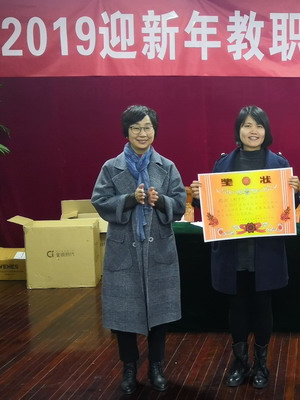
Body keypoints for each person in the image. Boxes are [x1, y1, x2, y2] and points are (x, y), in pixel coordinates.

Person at [189, 105, 300, 389]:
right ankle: (240, 363)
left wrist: (294, 192)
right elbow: (213, 207)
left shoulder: (279, 165)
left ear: (266, 131)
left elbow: (289, 207)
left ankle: (261, 364)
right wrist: (200, 196)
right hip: (233, 249)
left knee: (263, 306)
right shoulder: (223, 165)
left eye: (259, 126)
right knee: (237, 306)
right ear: (238, 130)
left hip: (265, 250)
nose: (253, 131)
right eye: (247, 125)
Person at [91, 105, 186, 394]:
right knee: (124, 315)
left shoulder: (167, 166)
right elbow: (100, 201)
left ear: (154, 131)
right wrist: (130, 199)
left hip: (158, 250)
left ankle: (156, 367)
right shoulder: (111, 167)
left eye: (147, 127)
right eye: (136, 128)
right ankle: (129, 368)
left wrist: (161, 201)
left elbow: (180, 204)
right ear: (127, 132)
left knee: (159, 312)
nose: (142, 133)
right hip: (124, 251)